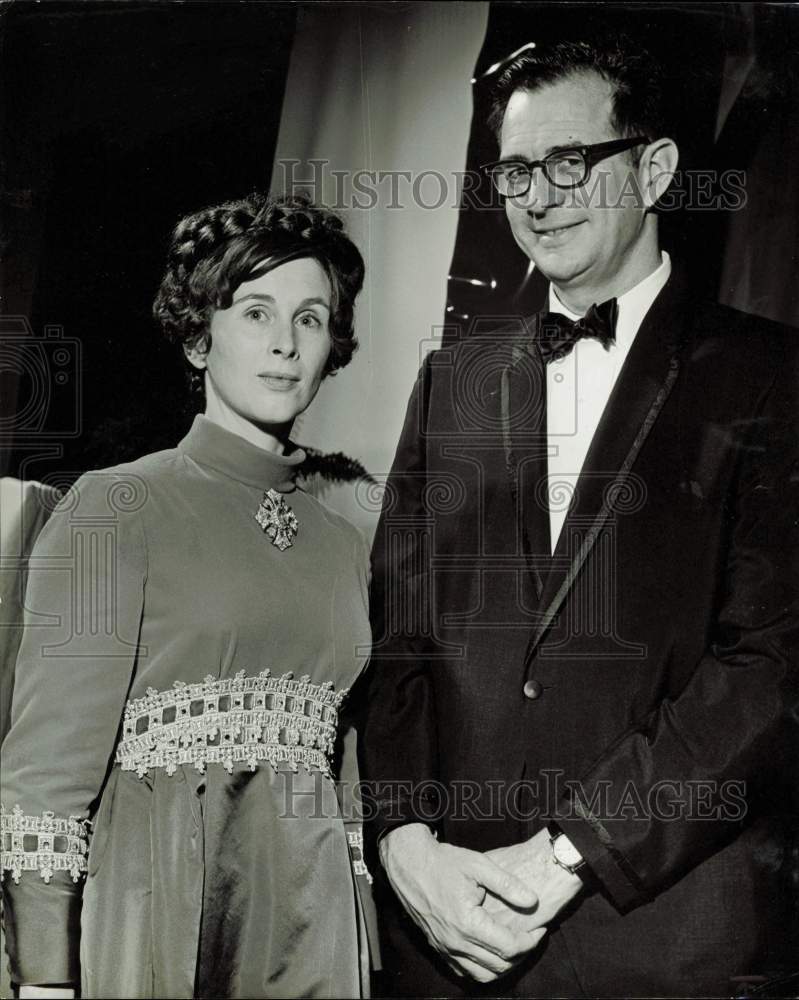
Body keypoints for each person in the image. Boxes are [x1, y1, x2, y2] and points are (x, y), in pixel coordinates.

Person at [362, 36, 799, 998]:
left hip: (661, 939)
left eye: (569, 163)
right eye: (515, 170)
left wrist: (562, 857)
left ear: (654, 168)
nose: (538, 196)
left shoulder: (770, 377)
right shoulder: (453, 382)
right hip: (445, 937)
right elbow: (399, 639)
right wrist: (401, 843)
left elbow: (769, 668)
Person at [1, 193, 374, 998]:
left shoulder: (342, 544)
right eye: (255, 312)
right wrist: (44, 979)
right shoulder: (117, 505)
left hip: (310, 930)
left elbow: (340, 766)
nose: (284, 343)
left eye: (310, 319)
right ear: (200, 337)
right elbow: (44, 776)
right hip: (157, 912)